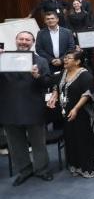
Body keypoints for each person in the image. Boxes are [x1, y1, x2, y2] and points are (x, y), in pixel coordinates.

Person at [0, 32, 54, 186]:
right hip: (9, 108)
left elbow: (48, 83)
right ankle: (24, 171)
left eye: (27, 40)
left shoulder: (41, 61)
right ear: (15, 40)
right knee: (15, 144)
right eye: (21, 39)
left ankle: (42, 170)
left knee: (38, 143)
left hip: (33, 107)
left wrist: (38, 77)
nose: (23, 42)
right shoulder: (3, 59)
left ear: (33, 42)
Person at [47, 50, 94, 178]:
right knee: (71, 139)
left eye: (69, 58)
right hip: (66, 112)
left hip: (82, 112)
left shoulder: (85, 75)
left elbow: (87, 94)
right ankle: (76, 166)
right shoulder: (64, 72)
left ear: (78, 61)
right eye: (65, 58)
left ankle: (88, 167)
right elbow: (57, 85)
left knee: (83, 138)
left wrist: (76, 109)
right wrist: (54, 95)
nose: (65, 60)